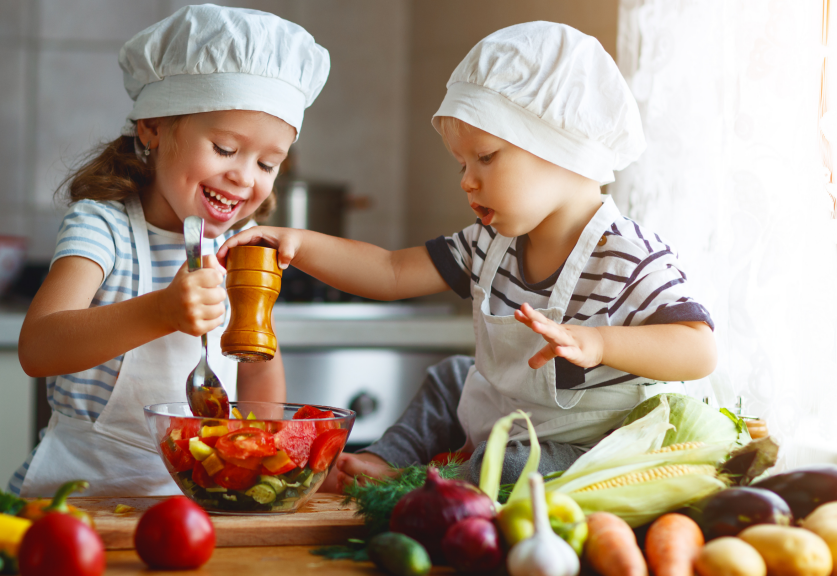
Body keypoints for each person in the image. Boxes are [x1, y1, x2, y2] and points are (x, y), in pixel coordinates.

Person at [218, 22, 717, 490]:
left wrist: (598, 344)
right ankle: (388, 459)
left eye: (486, 157)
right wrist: (300, 245)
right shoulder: (488, 245)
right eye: (462, 163)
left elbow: (699, 349)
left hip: (589, 443)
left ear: (562, 149)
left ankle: (429, 486)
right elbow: (390, 272)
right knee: (449, 378)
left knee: (515, 462)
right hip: (511, 414)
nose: (466, 181)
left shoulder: (627, 256)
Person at [7, 4, 329, 497]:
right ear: (152, 128)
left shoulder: (236, 250)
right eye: (225, 149)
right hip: (77, 498)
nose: (245, 177)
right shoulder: (103, 227)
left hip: (196, 502)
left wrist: (264, 462)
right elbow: (39, 347)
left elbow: (258, 367)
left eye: (268, 163)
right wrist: (161, 310)